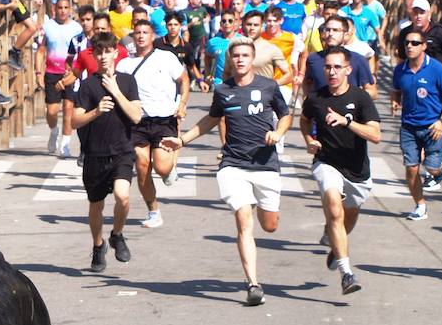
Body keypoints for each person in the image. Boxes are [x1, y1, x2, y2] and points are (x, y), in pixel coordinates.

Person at [162, 37, 290, 305]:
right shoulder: (223, 90)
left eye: (246, 55)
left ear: (253, 58)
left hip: (265, 164)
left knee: (270, 226)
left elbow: (285, 114)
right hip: (233, 163)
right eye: (237, 55)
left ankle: (259, 211)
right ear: (231, 60)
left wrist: (278, 132)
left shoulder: (268, 86)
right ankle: (253, 283)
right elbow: (211, 118)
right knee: (244, 221)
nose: (241, 59)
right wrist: (182, 140)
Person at [300, 47, 381, 296]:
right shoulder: (316, 98)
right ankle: (347, 274)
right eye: (328, 67)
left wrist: (348, 122)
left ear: (348, 69)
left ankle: (337, 247)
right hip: (327, 163)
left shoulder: (361, 98)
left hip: (357, 171)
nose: (332, 72)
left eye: (337, 67)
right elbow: (304, 120)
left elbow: (375, 135)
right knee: (334, 210)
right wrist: (309, 140)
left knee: (348, 217)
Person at [71, 33, 142, 271]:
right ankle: (98, 245)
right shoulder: (88, 85)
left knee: (123, 196)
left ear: (116, 52)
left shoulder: (128, 81)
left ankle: (117, 234)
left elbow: (136, 115)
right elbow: (74, 120)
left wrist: (116, 91)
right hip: (95, 153)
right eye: (98, 52)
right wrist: (97, 111)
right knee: (96, 205)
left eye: (107, 51)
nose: (103, 56)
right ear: (94, 54)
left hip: (122, 150)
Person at [118, 20, 189, 229]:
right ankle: (153, 211)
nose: (140, 36)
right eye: (137, 33)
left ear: (152, 36)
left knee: (161, 167)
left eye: (145, 32)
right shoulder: (124, 64)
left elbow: (183, 79)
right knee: (142, 167)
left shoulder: (166, 57)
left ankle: (171, 166)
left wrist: (182, 103)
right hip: (137, 122)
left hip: (164, 119)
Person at [390, 27, 442, 221]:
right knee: (411, 168)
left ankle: (440, 168)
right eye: (407, 43)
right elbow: (396, 89)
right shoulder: (400, 69)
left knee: (432, 168)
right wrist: (394, 100)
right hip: (408, 127)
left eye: (415, 43)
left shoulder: (436, 68)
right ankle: (420, 205)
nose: (410, 46)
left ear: (424, 47)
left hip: (432, 126)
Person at [40, 0, 83, 157]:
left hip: (70, 73)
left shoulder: (77, 28)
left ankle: (65, 144)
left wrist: (76, 70)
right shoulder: (48, 27)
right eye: (60, 8)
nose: (63, 11)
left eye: (66, 8)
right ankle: (53, 130)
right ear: (54, 9)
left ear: (70, 9)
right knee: (51, 111)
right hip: (52, 72)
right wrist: (38, 71)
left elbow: (81, 51)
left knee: (68, 109)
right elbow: (41, 50)